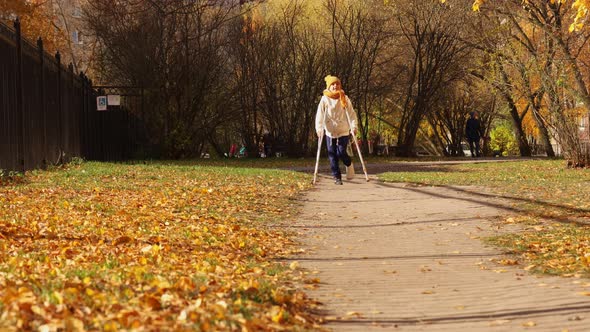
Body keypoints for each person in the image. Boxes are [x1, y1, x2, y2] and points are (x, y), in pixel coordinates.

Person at [315, 75, 358, 185]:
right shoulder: (324, 99)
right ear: (329, 86)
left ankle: (348, 164)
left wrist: (354, 127)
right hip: (330, 131)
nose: (335, 86)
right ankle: (337, 177)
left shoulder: (345, 98)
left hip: (343, 130)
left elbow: (352, 114)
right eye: (333, 84)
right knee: (332, 155)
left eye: (337, 84)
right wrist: (319, 128)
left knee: (341, 152)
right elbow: (320, 115)